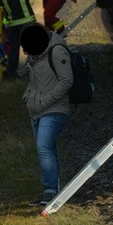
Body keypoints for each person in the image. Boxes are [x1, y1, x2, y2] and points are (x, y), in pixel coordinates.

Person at [20, 23, 73, 206]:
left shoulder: (57, 52)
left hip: (54, 109)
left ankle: (50, 190)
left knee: (44, 147)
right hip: (36, 110)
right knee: (46, 149)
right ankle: (52, 189)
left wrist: (44, 101)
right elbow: (34, 82)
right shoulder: (35, 55)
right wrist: (27, 96)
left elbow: (66, 81)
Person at [0, 0, 36, 77]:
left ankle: (12, 74)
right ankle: (35, 71)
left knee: (14, 50)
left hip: (13, 26)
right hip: (28, 24)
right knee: (34, 48)